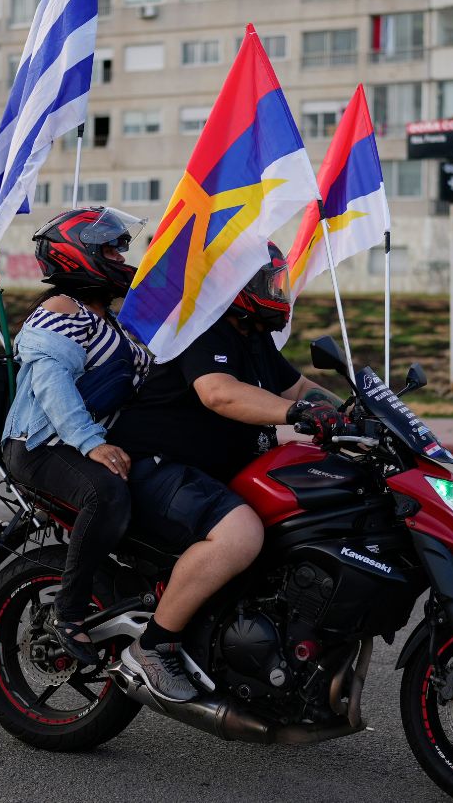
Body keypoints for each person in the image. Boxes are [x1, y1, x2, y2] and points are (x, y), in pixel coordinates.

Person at [108, 243, 349, 702]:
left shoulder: (251, 335)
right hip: (156, 464)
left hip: (209, 466)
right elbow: (218, 393)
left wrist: (356, 414)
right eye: (269, 280)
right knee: (241, 535)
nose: (278, 289)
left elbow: (296, 385)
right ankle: (154, 647)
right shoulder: (202, 328)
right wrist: (300, 414)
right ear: (235, 284)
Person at [0, 207, 152, 668]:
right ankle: (68, 613)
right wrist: (92, 443)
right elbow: (52, 383)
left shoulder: (113, 324)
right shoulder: (61, 310)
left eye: (121, 247)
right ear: (77, 255)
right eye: (109, 248)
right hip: (41, 445)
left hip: (77, 442)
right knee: (105, 495)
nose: (121, 256)